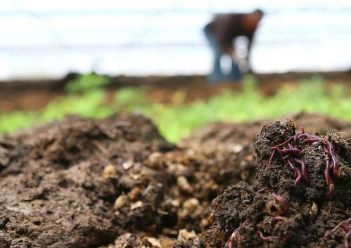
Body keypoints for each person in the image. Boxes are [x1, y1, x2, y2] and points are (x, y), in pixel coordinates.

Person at [204, 9, 264, 83]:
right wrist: (232, 52)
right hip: (213, 32)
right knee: (218, 52)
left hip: (229, 37)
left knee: (234, 57)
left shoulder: (253, 26)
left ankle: (235, 79)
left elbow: (249, 45)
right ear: (248, 18)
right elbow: (221, 40)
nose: (254, 24)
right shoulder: (232, 20)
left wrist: (246, 59)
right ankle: (216, 80)